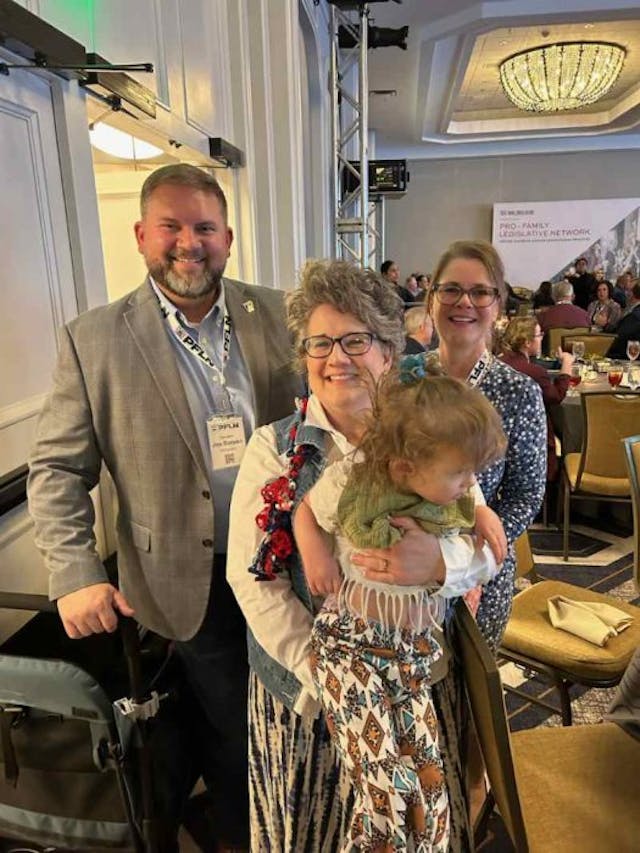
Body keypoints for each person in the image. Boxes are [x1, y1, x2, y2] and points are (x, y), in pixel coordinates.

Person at [27, 164, 301, 851]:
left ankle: (287, 817)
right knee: (238, 722)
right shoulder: (93, 341)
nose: (189, 242)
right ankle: (251, 835)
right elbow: (58, 468)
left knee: (294, 711)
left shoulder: (281, 313)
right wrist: (75, 571)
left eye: (205, 227)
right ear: (141, 234)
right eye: (171, 227)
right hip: (186, 575)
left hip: (290, 562)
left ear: (228, 237)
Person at [227, 259, 508, 852]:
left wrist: (440, 565)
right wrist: (333, 677)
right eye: (320, 342)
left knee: (420, 812)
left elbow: (484, 546)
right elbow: (254, 580)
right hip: (309, 692)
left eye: (355, 340)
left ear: (388, 350)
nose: (336, 358)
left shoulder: (436, 429)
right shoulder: (275, 450)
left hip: (418, 677)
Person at [293, 368, 507, 851]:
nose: (470, 483)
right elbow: (305, 511)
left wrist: (479, 514)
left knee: (431, 796)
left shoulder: (454, 492)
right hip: (349, 650)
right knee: (387, 796)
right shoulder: (355, 477)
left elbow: (490, 558)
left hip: (410, 659)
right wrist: (317, 554)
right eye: (461, 473)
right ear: (407, 466)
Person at [420, 240, 547, 650]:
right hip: (405, 564)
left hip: (479, 572)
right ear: (431, 298)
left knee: (467, 704)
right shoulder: (403, 378)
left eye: (480, 292)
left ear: (499, 306)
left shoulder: (518, 392)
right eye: (451, 289)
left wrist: (477, 546)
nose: (464, 303)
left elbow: (526, 493)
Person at [499, 317, 573, 480]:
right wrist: (567, 365)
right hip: (530, 443)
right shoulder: (534, 373)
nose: (541, 339)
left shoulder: (499, 362)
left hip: (499, 439)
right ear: (527, 342)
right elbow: (556, 397)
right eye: (539, 335)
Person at [607, 281, 640, 359]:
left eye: (627, 290)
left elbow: (619, 338)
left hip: (625, 357)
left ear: (631, 294)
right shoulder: (633, 312)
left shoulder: (635, 315)